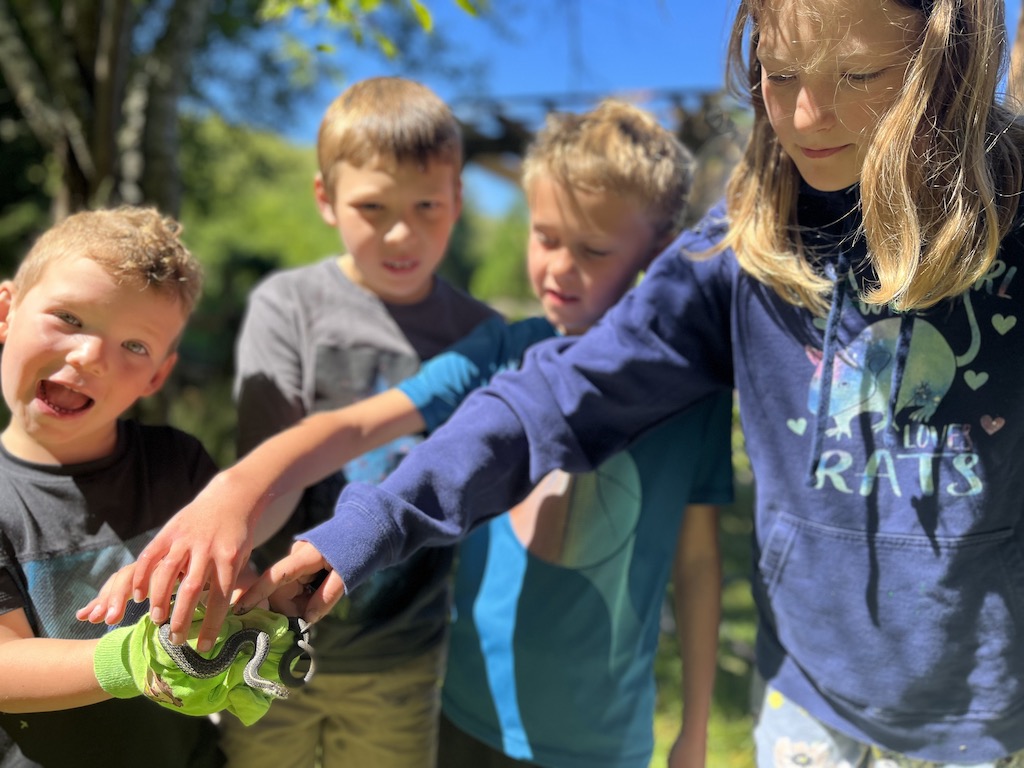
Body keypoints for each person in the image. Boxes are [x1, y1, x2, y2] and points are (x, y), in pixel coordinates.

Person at [219, 0, 1024, 765]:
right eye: (779, 75)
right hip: (806, 700)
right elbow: (553, 398)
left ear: (947, 53)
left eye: (856, 76)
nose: (807, 115)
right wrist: (375, 522)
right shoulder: (747, 243)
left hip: (989, 705)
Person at [79, 99, 732, 767]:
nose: (560, 269)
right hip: (468, 710)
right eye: (544, 236)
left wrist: (697, 728)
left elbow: (700, 561)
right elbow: (353, 423)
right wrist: (233, 491)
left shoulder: (692, 396)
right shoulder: (501, 349)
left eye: (593, 249)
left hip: (603, 737)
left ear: (661, 256)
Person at [228, 75, 499, 768]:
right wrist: (232, 555)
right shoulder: (289, 306)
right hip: (267, 634)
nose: (401, 232)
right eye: (372, 206)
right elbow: (274, 470)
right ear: (327, 199)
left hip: (403, 656)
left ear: (459, 200)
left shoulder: (481, 334)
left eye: (427, 205)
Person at [0, 207, 226, 767]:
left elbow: (229, 583)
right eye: (70, 318)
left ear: (157, 378)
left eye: (134, 346)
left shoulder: (178, 462)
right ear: (5, 312)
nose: (91, 357)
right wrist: (133, 659)